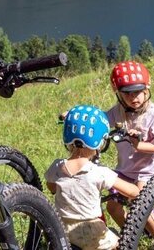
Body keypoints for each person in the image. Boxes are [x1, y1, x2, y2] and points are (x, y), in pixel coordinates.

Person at [46, 105, 139, 250]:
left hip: (61, 229)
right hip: (90, 232)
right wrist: (138, 189)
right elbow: (132, 192)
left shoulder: (56, 167)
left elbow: (51, 187)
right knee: (121, 244)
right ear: (100, 142)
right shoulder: (99, 172)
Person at [103, 61, 154, 233]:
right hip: (125, 170)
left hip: (147, 171)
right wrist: (77, 115)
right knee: (112, 207)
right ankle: (134, 234)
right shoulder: (118, 111)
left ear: (146, 89)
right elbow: (101, 120)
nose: (134, 98)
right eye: (127, 94)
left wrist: (138, 144)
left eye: (138, 92)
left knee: (139, 204)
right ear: (118, 93)